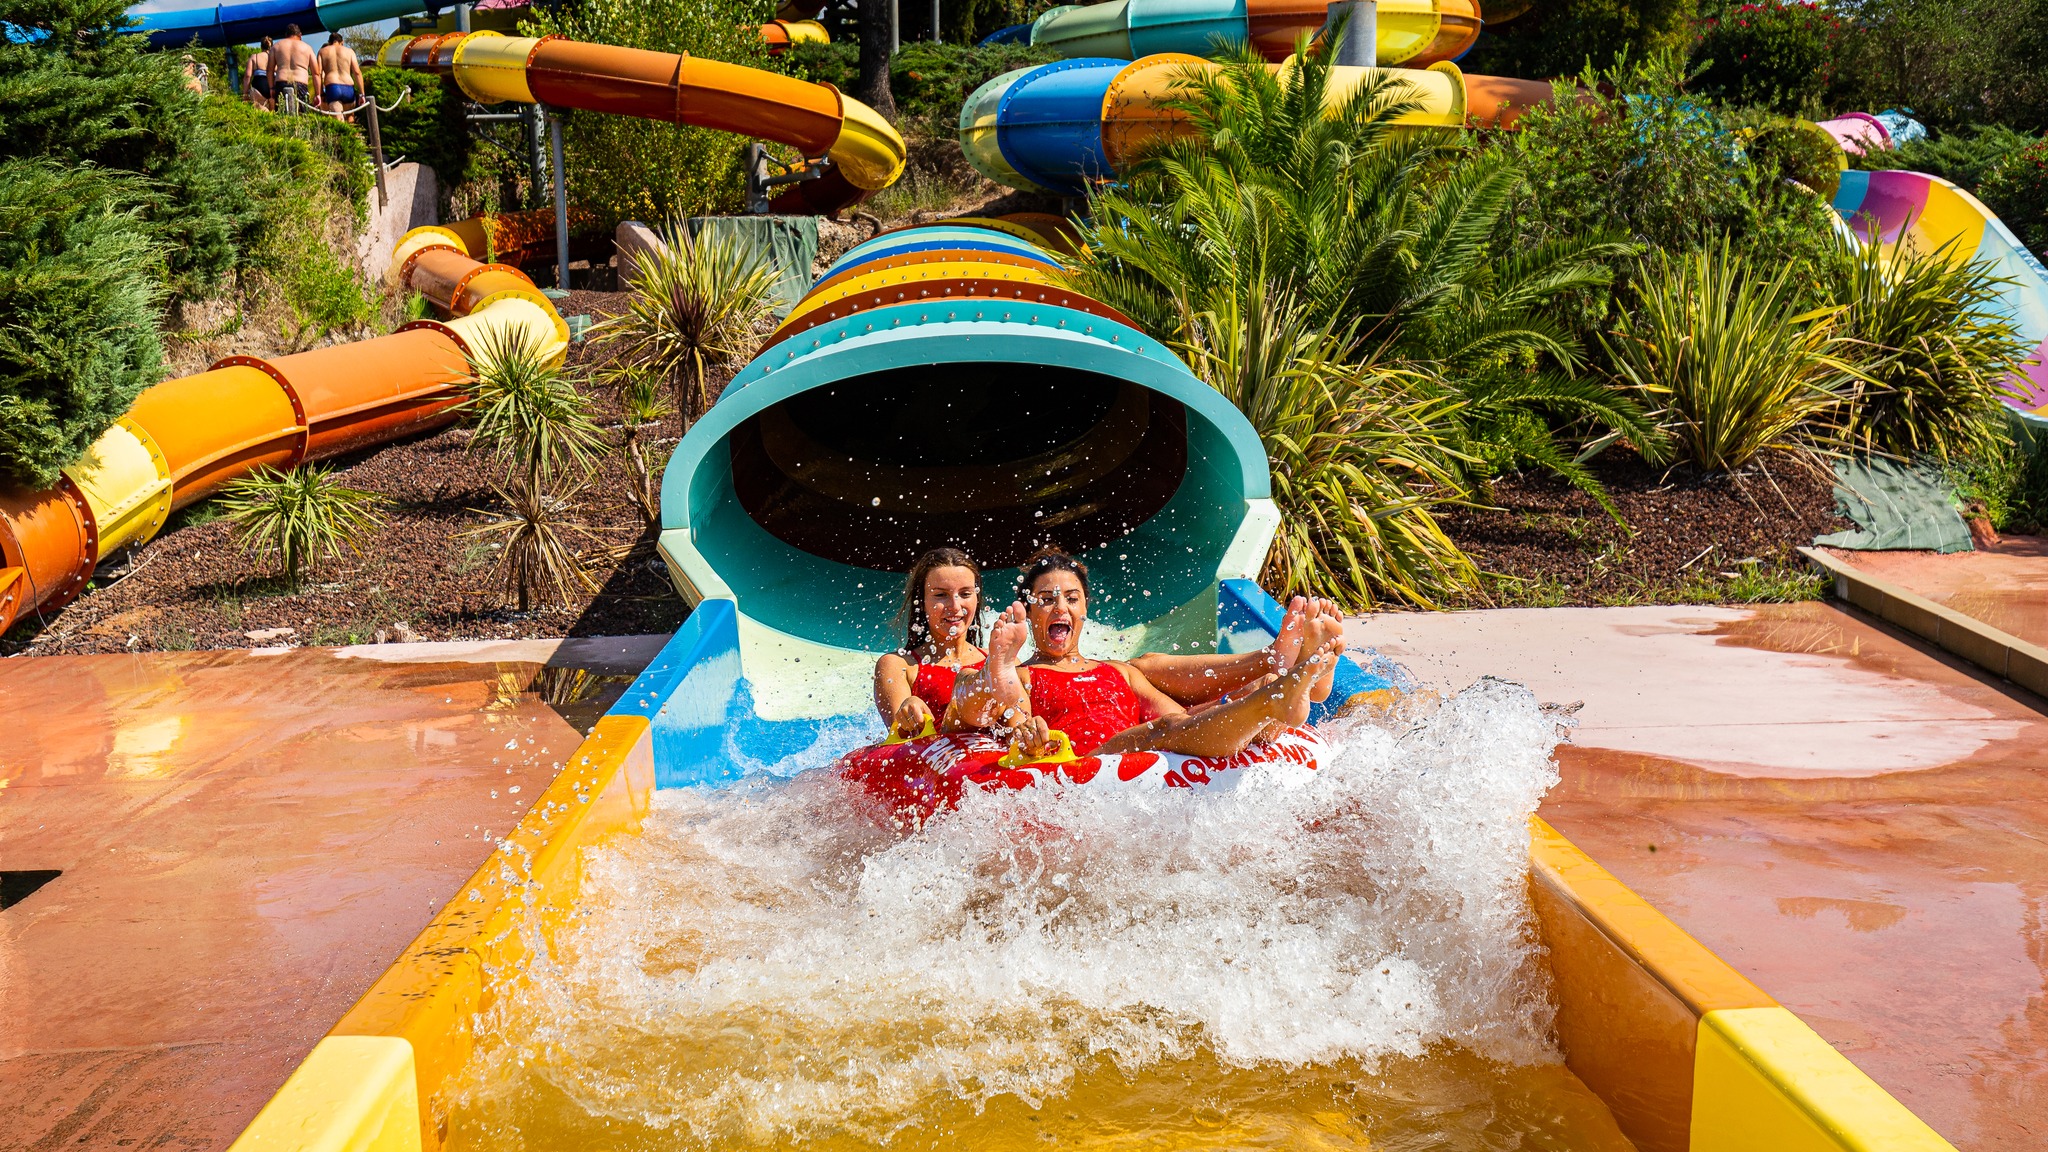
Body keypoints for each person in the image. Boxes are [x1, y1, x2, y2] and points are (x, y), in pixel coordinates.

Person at [955, 548, 1343, 760]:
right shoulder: (1024, 675)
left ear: (1086, 609)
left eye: (1071, 599)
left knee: (1194, 714)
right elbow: (1012, 720)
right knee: (1162, 731)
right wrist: (1028, 733)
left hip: (1138, 754)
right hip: (1086, 762)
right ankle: (1279, 695)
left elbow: (1172, 715)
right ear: (1030, 611)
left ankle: (1283, 693)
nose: (1060, 608)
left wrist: (1212, 716)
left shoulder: (1119, 672)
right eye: (1046, 600)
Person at [873, 547, 987, 740]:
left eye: (965, 594)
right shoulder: (899, 666)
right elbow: (903, 744)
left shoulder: (997, 661)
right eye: (941, 595)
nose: (955, 606)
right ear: (922, 600)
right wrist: (907, 709)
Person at [269, 24, 317, 113]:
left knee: (281, 115)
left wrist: (271, 88)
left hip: (281, 83)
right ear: (300, 35)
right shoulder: (307, 48)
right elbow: (316, 73)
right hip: (300, 84)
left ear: (286, 35)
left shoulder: (276, 46)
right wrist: (318, 94)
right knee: (302, 116)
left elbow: (270, 70)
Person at [318, 33, 363, 120]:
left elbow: (318, 74)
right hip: (348, 87)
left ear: (329, 42)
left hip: (333, 87)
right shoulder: (349, 51)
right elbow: (357, 72)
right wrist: (362, 94)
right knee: (350, 116)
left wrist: (320, 93)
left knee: (339, 122)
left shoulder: (322, 52)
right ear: (342, 42)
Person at [242, 39, 273, 110]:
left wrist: (245, 95)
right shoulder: (274, 58)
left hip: (259, 87)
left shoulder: (254, 57)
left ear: (261, 46)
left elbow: (247, 76)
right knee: (274, 114)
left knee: (259, 111)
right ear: (271, 46)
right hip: (273, 88)